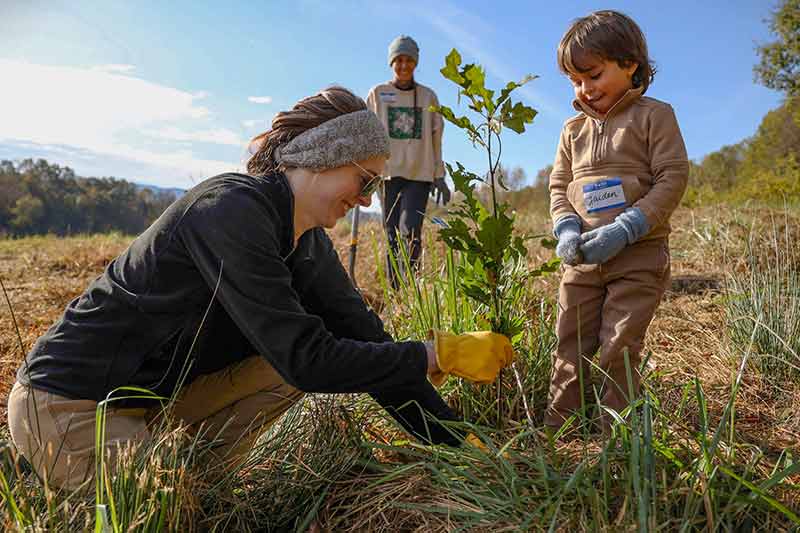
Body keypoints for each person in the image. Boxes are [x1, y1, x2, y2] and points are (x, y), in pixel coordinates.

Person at [7, 86, 514, 489]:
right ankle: (65, 471)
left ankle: (171, 467)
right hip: (71, 404)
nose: (366, 202)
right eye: (365, 182)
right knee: (171, 503)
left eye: (375, 189)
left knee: (319, 360)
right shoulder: (229, 209)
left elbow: (367, 343)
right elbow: (306, 358)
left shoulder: (308, 242)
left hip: (150, 399)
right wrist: (435, 353)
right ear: (324, 156)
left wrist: (454, 440)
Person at [545, 11, 688, 433]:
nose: (584, 90)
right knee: (568, 343)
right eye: (575, 81)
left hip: (639, 256)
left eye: (593, 75)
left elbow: (673, 177)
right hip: (582, 261)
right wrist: (567, 228)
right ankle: (560, 430)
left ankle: (617, 435)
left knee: (619, 344)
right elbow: (558, 186)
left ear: (630, 64)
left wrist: (628, 228)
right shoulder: (572, 130)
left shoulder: (654, 116)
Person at [367, 35, 450, 287]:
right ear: (392, 62)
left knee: (411, 231)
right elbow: (367, 135)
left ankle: (410, 287)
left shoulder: (427, 97)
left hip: (419, 174)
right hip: (387, 174)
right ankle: (395, 290)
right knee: (391, 233)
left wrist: (439, 174)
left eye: (409, 60)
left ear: (415, 62)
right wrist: (365, 172)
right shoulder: (378, 94)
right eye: (399, 60)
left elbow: (437, 138)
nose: (404, 65)